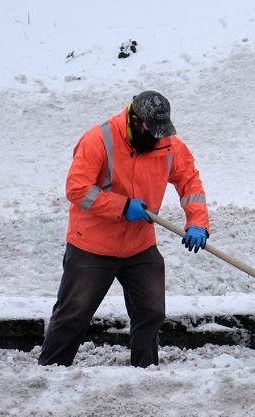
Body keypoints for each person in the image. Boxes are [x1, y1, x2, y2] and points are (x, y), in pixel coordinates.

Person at [38, 91, 209, 367]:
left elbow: (190, 183)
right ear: (135, 119)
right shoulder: (98, 140)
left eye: (161, 132)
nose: (157, 138)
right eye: (151, 131)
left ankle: (144, 372)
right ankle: (49, 373)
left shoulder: (168, 145)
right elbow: (77, 189)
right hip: (92, 246)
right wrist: (121, 206)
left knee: (151, 311)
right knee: (74, 314)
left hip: (139, 246)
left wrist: (198, 223)